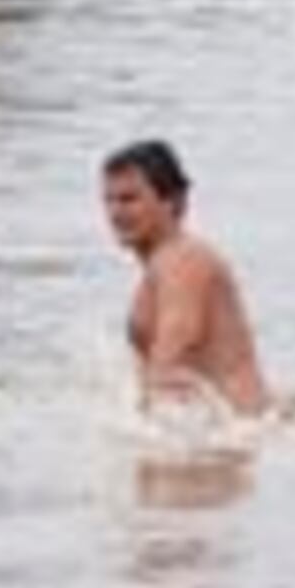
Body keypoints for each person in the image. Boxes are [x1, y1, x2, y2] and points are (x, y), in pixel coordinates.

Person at [99, 139, 268, 415]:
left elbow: (177, 342)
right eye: (109, 200)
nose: (116, 213)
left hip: (231, 435)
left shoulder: (183, 260)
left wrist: (142, 422)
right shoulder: (163, 264)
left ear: (172, 201)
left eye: (129, 199)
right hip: (213, 432)